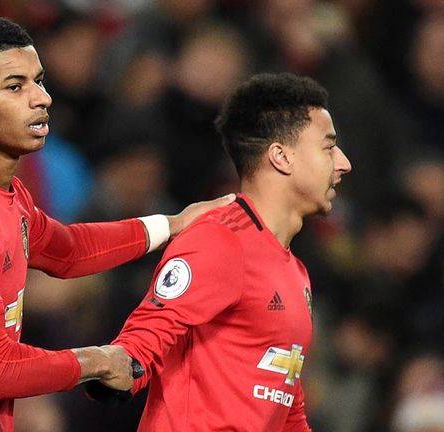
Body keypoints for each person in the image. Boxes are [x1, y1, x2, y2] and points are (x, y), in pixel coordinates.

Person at [0, 14, 233, 431]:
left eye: (39, 80)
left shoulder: (2, 194)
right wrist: (98, 361)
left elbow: (67, 250)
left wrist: (172, 225)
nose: (42, 98)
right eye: (16, 86)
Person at [93, 72, 352, 431]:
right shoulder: (219, 240)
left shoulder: (297, 272)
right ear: (281, 157)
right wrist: (115, 366)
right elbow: (148, 333)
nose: (343, 163)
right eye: (328, 146)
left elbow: (286, 405)